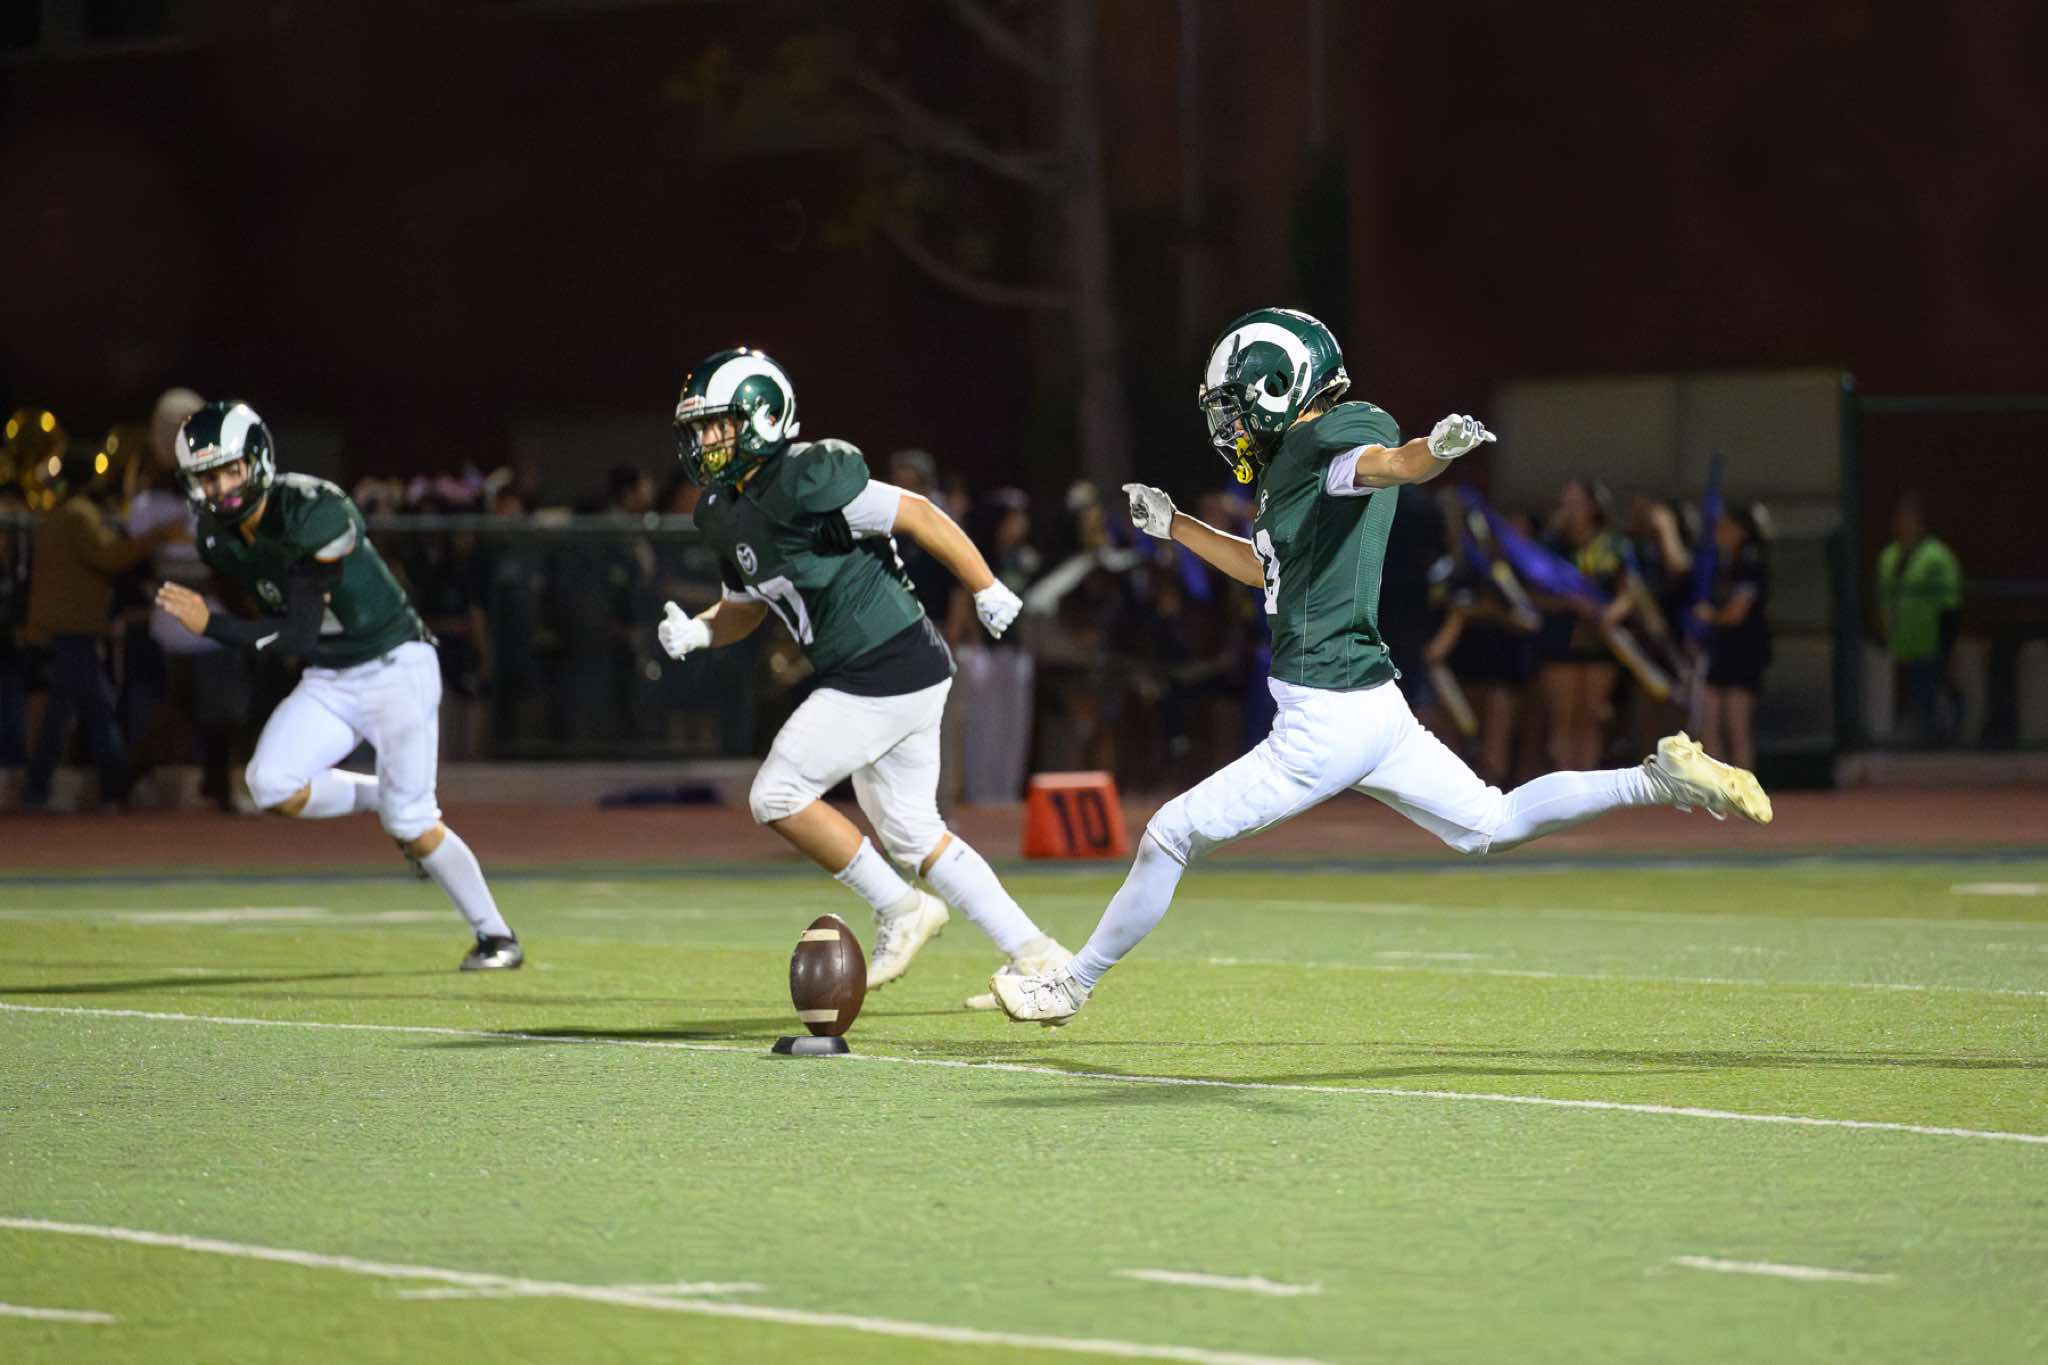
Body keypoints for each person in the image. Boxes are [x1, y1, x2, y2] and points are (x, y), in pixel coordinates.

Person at [991, 307, 1772, 1026]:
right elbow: (1269, 569)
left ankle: (1070, 984)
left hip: (1324, 718)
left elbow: (1389, 462)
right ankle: (1659, 778)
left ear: (1278, 388)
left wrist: (1435, 452)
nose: (1227, 424)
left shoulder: (1327, 442)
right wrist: (1178, 527)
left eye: (1233, 405)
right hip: (1376, 709)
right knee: (1492, 822)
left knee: (1168, 835)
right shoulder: (1293, 466)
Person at [659, 347, 1066, 1004]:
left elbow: (919, 513)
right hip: (892, 666)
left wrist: (985, 585)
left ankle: (903, 909)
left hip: (885, 662)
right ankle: (1040, 956)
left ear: (763, 416)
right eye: (700, 429)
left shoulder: (807, 477)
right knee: (914, 832)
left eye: (718, 425)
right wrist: (702, 630)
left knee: (778, 794)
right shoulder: (724, 508)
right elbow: (745, 605)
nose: (705, 441)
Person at [152, 401, 521, 970]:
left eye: (230, 471)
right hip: (331, 674)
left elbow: (296, 635)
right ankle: (379, 795)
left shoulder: (313, 510)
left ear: (258, 462)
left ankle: (497, 936)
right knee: (270, 784)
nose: (221, 488)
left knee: (412, 821)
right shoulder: (217, 538)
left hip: (395, 666)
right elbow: (283, 621)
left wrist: (213, 626)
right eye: (208, 477)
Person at [22, 443, 185, 809]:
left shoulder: (59, 516)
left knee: (61, 713)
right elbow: (110, 557)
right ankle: (113, 790)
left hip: (64, 628)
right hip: (73, 630)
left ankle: (39, 790)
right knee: (97, 708)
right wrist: (157, 536)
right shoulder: (80, 517)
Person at [1877, 490, 1962, 747]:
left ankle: (1938, 741)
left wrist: (1948, 646)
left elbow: (1950, 604)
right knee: (1909, 700)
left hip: (1930, 643)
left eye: (1911, 518)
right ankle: (1917, 741)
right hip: (1900, 645)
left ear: (1921, 522)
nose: (1906, 524)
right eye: (1901, 518)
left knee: (1932, 696)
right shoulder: (1889, 556)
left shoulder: (1936, 556)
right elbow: (1884, 598)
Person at [1695, 503, 1771, 773]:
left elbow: (1737, 612)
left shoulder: (1750, 562)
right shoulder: (1720, 563)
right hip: (1720, 650)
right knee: (1709, 721)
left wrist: (1711, 617)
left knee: (1736, 725)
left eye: (1725, 527)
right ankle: (1717, 786)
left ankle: (1744, 786)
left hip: (1743, 651)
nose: (1719, 533)